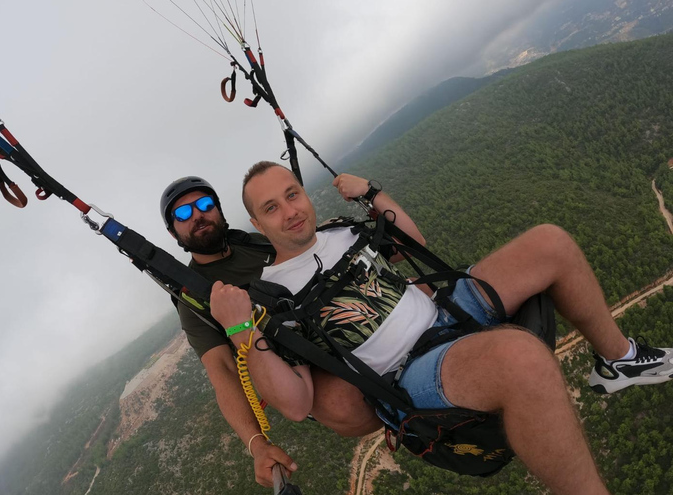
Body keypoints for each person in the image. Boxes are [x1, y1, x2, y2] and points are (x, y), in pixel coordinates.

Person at [209, 161, 673, 495]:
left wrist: (372, 193)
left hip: (446, 310)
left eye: (293, 194)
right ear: (256, 223)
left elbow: (414, 241)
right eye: (272, 207)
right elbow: (294, 404)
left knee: (550, 242)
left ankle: (619, 360)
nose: (290, 211)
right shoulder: (270, 298)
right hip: (410, 373)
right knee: (519, 358)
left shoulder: (340, 230)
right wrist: (240, 332)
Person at [160, 176, 296, 488]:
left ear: (219, 211)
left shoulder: (252, 242)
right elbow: (221, 370)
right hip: (298, 363)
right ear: (173, 232)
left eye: (205, 205)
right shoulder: (193, 296)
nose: (197, 215)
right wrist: (257, 445)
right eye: (182, 214)